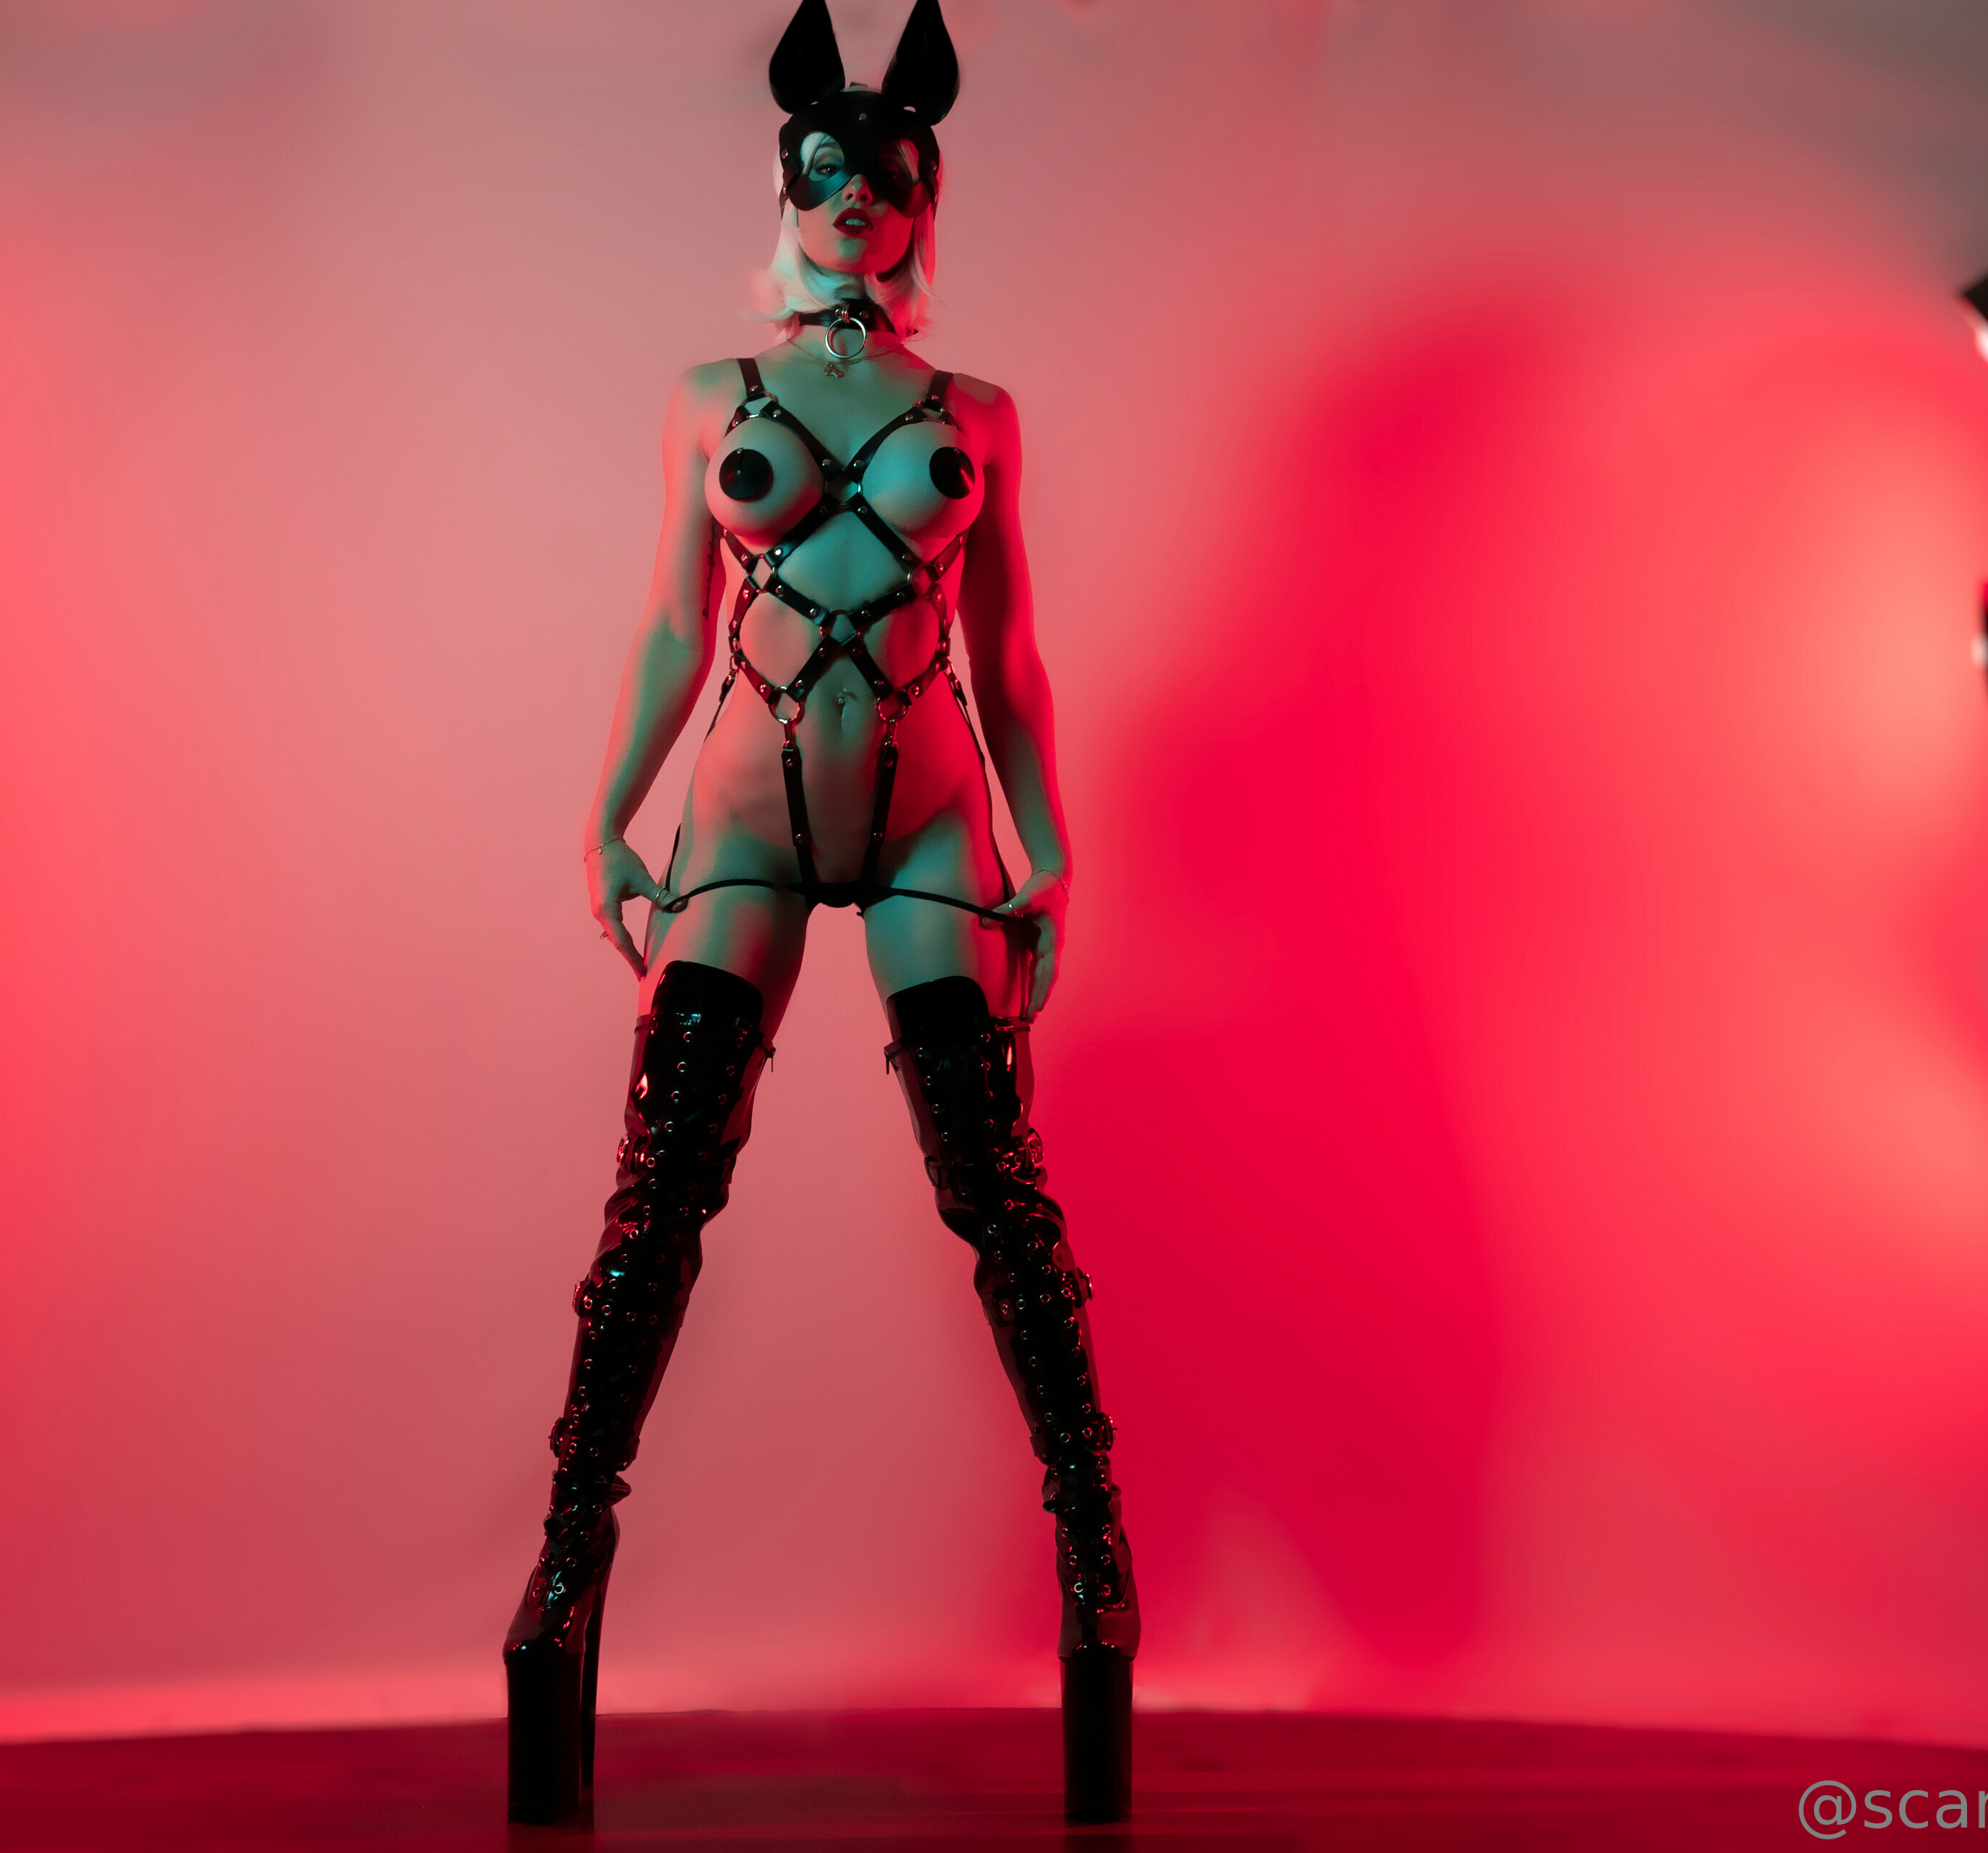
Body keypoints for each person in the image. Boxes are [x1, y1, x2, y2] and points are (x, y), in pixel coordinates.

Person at [501, 0, 1136, 1823]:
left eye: (886, 173)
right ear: (788, 187)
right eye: (824, 170)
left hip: (932, 811)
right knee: (661, 1190)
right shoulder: (712, 397)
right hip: (741, 817)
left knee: (996, 1185)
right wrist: (607, 813)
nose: (855, 197)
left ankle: (1094, 1546)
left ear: (927, 194)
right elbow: (669, 623)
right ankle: (564, 1567)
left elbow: (1012, 653)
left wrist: (1048, 842)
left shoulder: (980, 414)